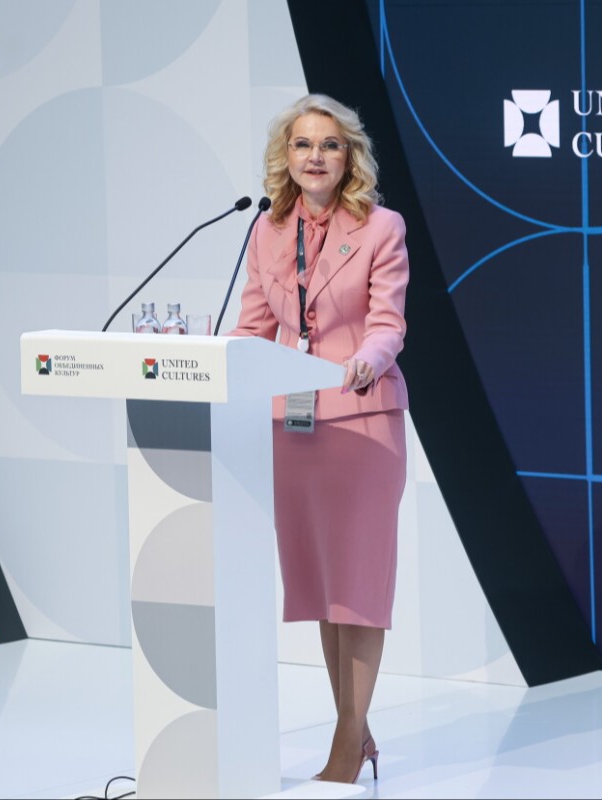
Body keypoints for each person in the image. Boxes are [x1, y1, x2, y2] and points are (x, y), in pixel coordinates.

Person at [228, 93, 409, 784]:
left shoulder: (380, 228)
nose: (315, 156)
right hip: (293, 427)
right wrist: (216, 364)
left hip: (361, 420)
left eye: (329, 145)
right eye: (303, 144)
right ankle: (354, 731)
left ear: (349, 156)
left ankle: (346, 740)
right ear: (287, 156)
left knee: (357, 587)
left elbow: (388, 323)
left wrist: (368, 359)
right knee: (323, 589)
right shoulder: (267, 231)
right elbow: (252, 329)